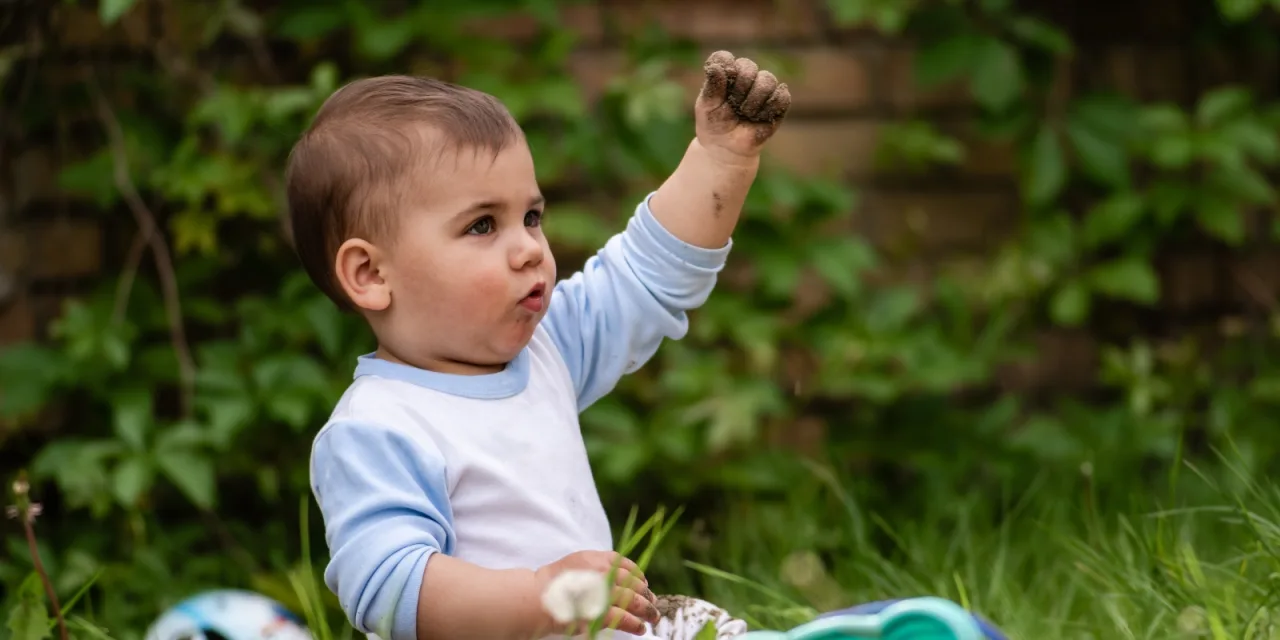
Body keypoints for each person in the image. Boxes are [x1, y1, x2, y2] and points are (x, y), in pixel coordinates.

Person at [288, 49, 789, 640]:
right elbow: (390, 589)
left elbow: (647, 278)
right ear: (371, 274)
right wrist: (544, 597)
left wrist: (720, 158)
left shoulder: (545, 349)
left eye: (531, 216)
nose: (529, 247)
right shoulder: (378, 427)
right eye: (482, 225)